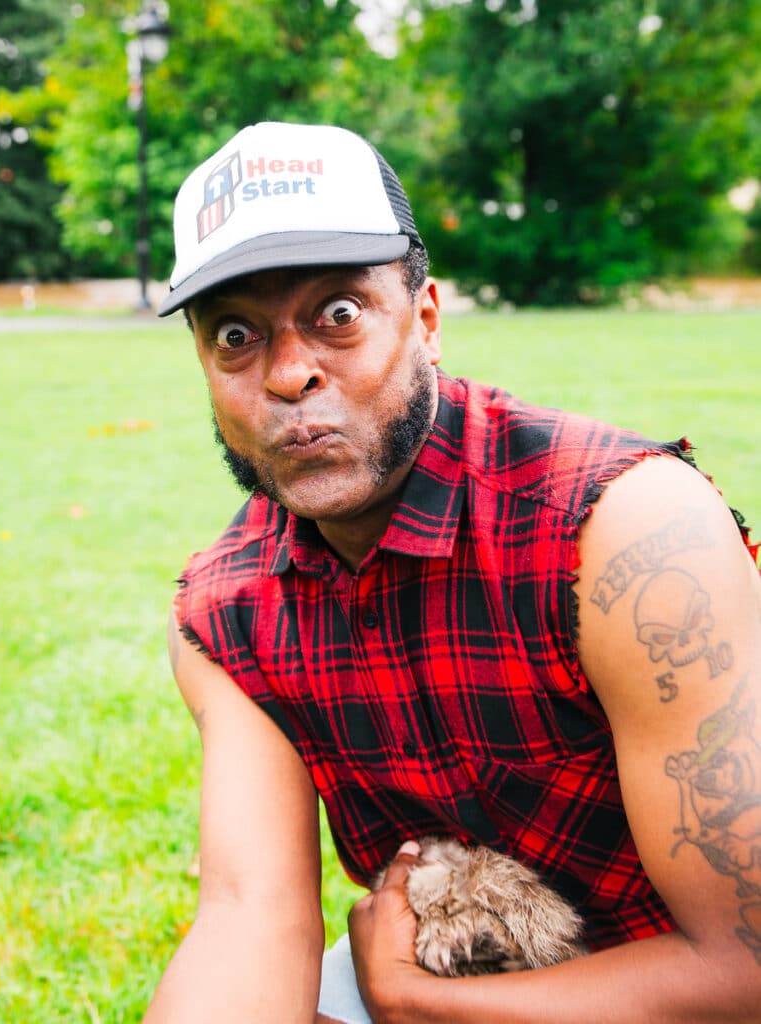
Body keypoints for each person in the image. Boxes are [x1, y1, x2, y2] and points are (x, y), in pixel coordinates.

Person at [143, 121, 761, 1024]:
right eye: (236, 334)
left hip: (664, 981)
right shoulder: (226, 615)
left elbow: (745, 970)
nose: (289, 374)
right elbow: (248, 916)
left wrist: (410, 999)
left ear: (426, 318)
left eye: (339, 314)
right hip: (457, 958)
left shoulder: (623, 533)